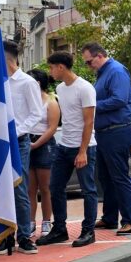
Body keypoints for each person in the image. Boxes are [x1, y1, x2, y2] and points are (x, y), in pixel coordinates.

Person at [37, 51, 98, 248]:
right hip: (64, 147)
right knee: (55, 187)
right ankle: (59, 230)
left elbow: (89, 122)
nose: (50, 71)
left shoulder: (85, 88)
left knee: (88, 190)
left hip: (84, 147)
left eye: (51, 67)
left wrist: (82, 151)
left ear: (61, 67)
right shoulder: (61, 89)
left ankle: (88, 231)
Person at [82, 42, 131, 236]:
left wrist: (92, 106)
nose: (88, 66)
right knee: (106, 177)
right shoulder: (104, 73)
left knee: (119, 176)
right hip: (106, 132)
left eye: (89, 62)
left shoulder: (116, 71)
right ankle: (110, 218)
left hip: (118, 130)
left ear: (99, 56)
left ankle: (129, 221)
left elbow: (119, 99)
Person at [0, 39, 39, 255]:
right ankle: (5, 234)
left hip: (18, 141)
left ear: (5, 59)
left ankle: (25, 236)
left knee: (19, 188)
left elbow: (36, 114)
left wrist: (15, 132)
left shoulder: (27, 82)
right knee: (1, 187)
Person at [27, 68, 59, 236]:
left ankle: (46, 221)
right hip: (27, 142)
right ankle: (30, 222)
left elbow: (52, 128)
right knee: (30, 189)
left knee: (45, 188)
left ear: (37, 83)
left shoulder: (51, 102)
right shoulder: (27, 101)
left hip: (44, 144)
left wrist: (36, 144)